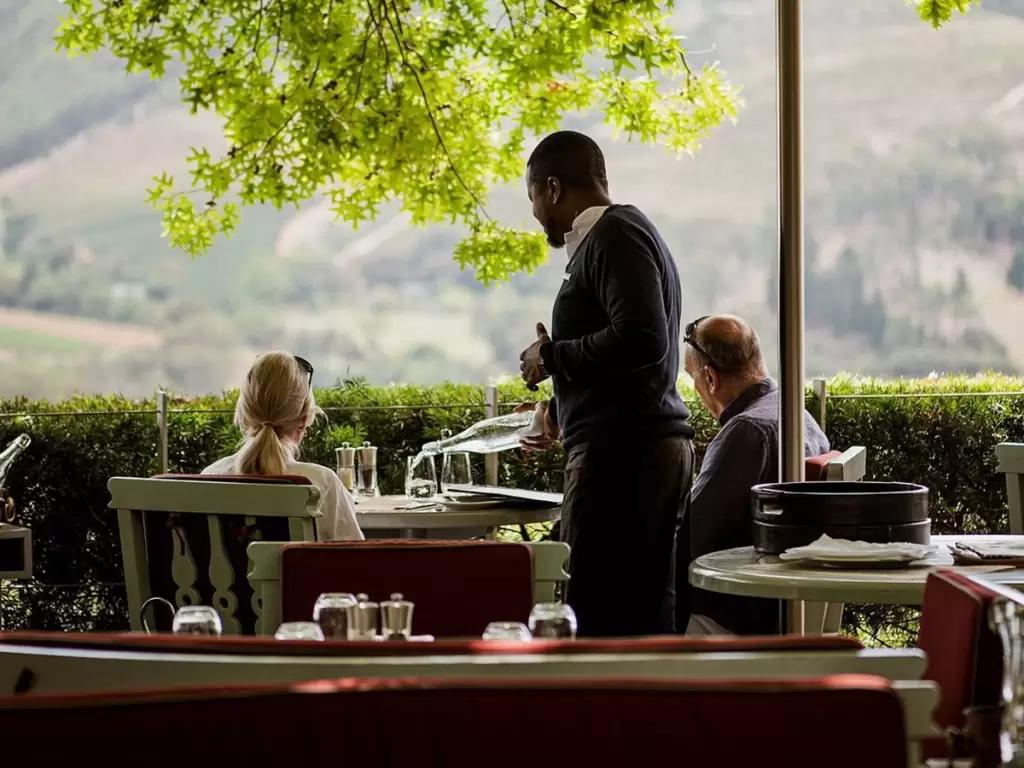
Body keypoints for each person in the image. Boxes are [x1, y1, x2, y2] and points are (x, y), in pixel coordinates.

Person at [518, 130, 695, 637]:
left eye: (533, 197)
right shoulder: (614, 239)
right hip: (629, 451)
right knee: (624, 609)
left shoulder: (615, 235)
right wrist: (559, 408)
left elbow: (642, 339)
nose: (535, 213)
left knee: (600, 617)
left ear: (552, 188)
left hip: (624, 458)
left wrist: (551, 355)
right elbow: (625, 360)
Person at [681, 315, 829, 635]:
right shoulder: (797, 415)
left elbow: (691, 536)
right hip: (777, 602)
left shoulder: (747, 433)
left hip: (733, 617)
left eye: (692, 377)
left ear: (710, 378)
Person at [203, 352, 363, 542]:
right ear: (303, 421)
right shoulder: (321, 483)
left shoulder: (209, 477)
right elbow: (354, 561)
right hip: (300, 573)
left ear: (245, 416)